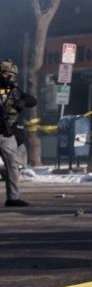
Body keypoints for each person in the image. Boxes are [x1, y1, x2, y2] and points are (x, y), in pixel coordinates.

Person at [0, 60, 37, 207]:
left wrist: (22, 102)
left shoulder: (14, 90)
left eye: (13, 76)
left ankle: (13, 198)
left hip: (6, 133)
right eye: (8, 75)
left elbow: (32, 100)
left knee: (12, 166)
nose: (11, 79)